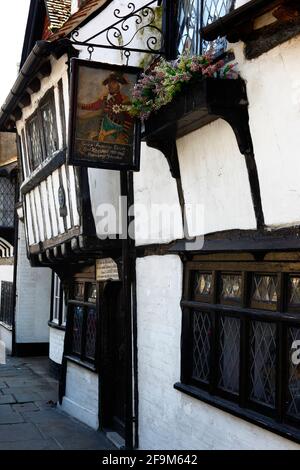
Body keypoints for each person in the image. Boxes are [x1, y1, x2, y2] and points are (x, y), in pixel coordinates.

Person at [79, 72, 133, 145]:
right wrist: (81, 106)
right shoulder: (104, 98)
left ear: (119, 85)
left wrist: (123, 133)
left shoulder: (124, 100)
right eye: (109, 83)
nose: (110, 85)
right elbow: (94, 106)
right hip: (104, 127)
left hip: (116, 131)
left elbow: (129, 118)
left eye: (114, 83)